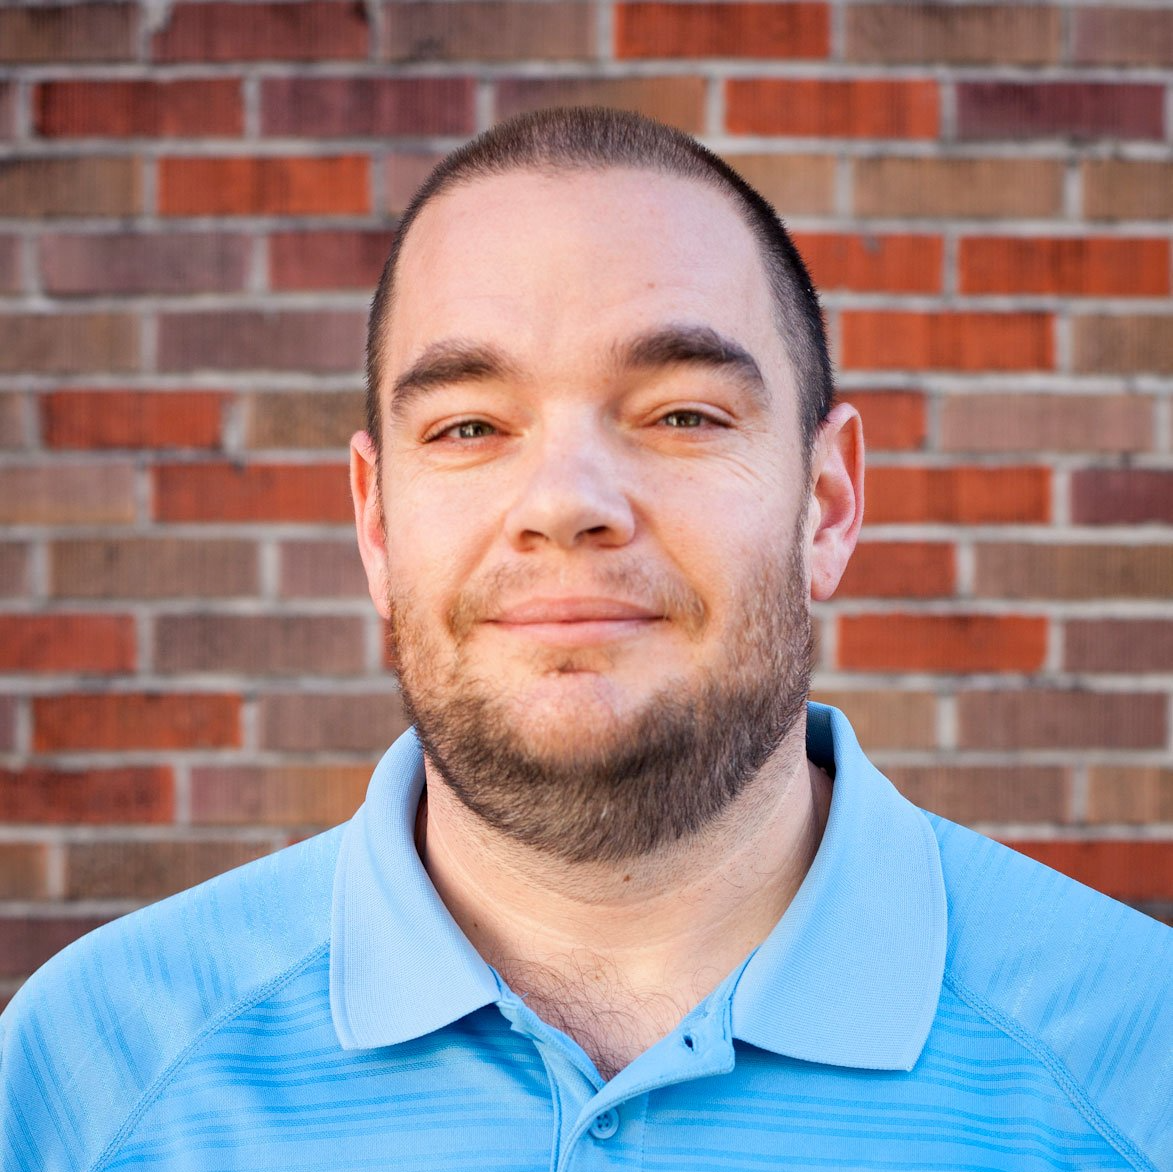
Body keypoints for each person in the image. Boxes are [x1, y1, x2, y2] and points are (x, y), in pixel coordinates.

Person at [2, 107, 1169, 1172]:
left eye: (681, 414)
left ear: (829, 503)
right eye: (469, 424)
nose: (564, 500)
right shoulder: (86, 1078)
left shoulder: (1136, 1063)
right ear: (376, 521)